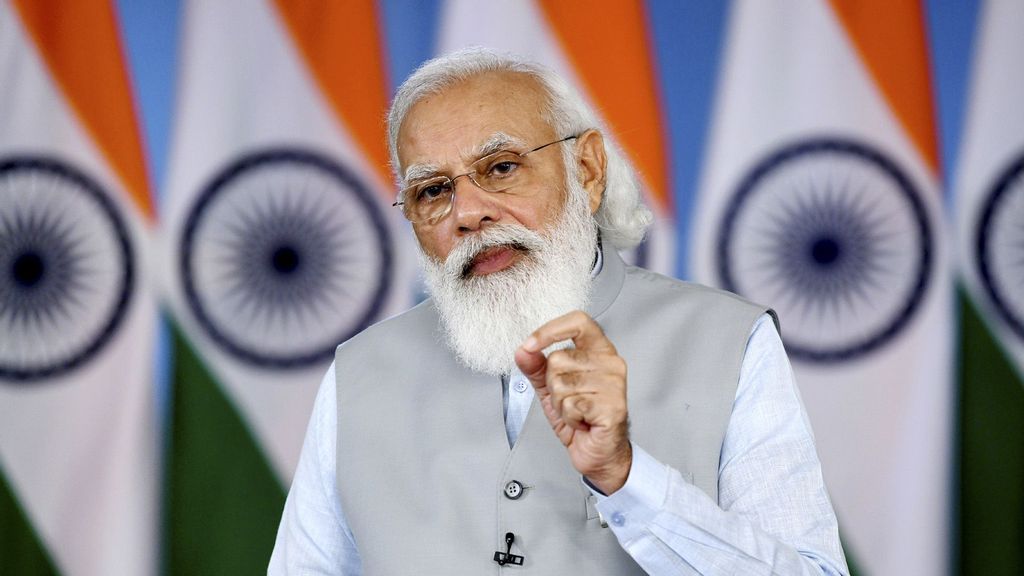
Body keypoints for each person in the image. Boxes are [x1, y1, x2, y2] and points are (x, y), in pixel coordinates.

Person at [269, 48, 849, 575]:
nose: (468, 213)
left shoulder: (730, 341)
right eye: (433, 191)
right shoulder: (359, 371)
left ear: (588, 170)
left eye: (501, 167)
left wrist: (626, 479)